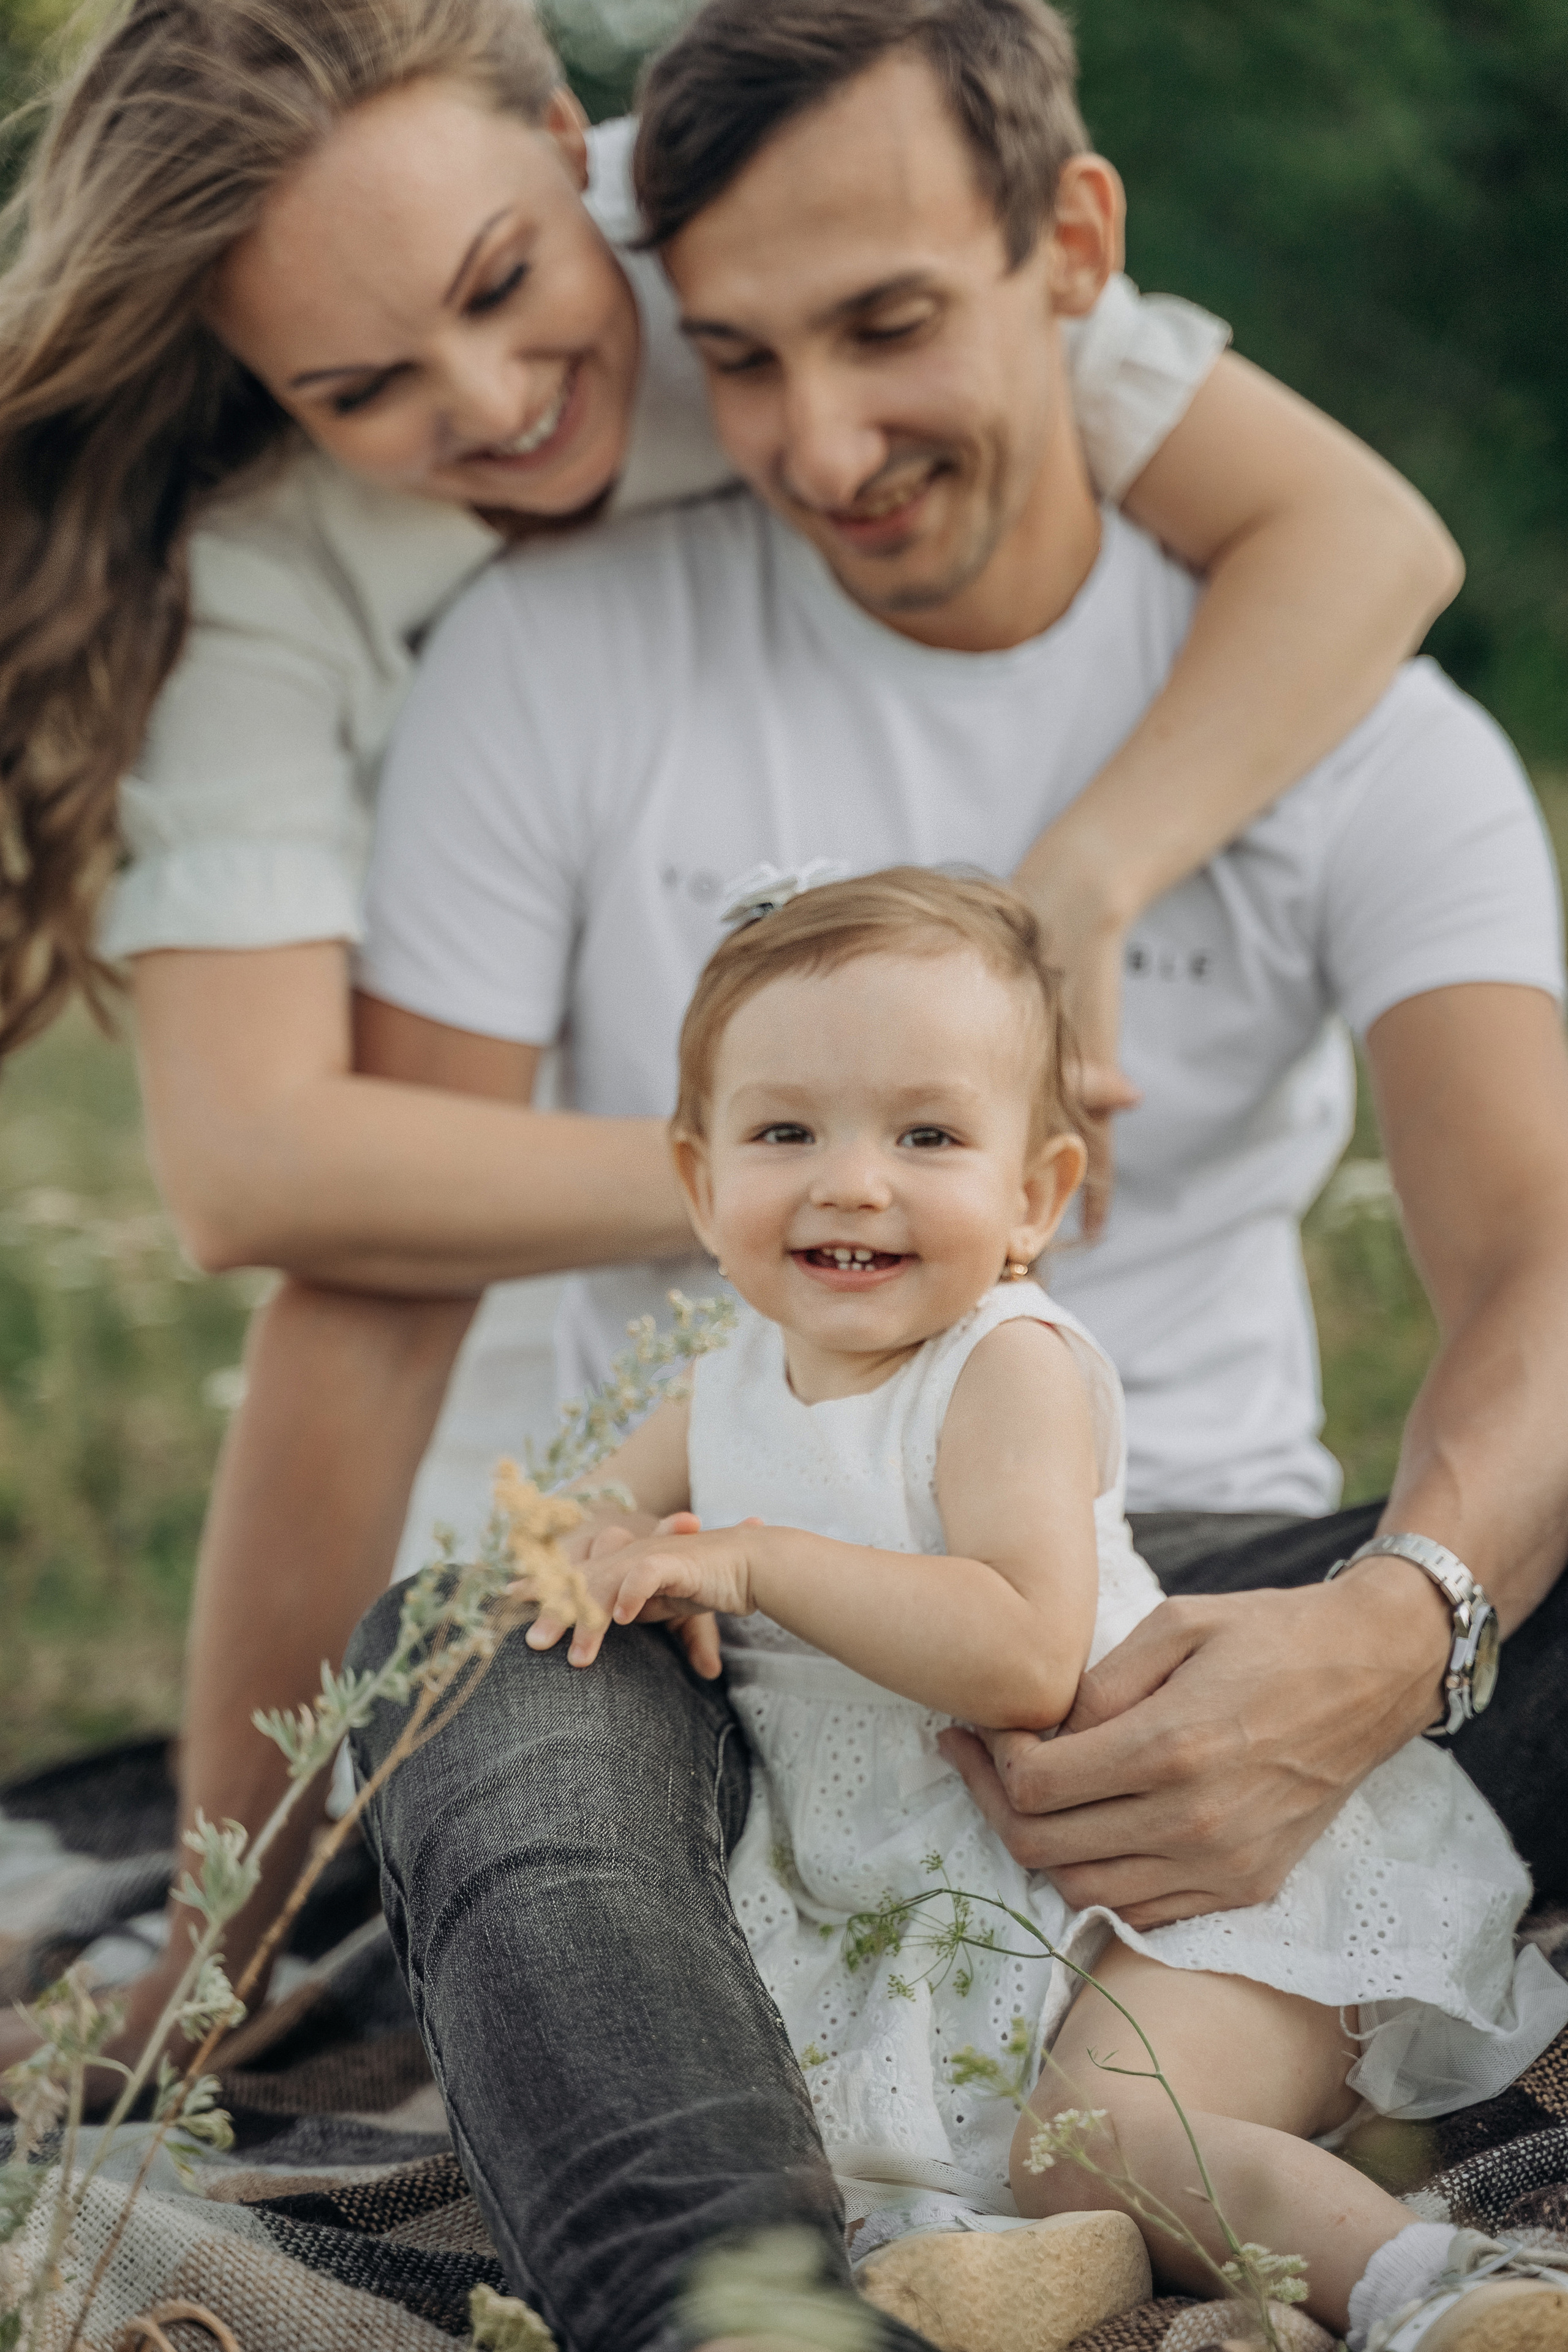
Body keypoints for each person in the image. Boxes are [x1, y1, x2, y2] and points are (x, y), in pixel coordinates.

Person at [0, 0, 1460, 2065]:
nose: (498, 401)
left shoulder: (774, 254)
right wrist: (808, 1176)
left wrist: (1086, 884)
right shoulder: (265, 581)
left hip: (902, 1318)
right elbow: (268, 1183)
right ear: (260, 383)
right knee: (512, 1673)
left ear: (567, 140)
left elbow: (1369, 537)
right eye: (363, 385)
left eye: (511, 285)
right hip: (605, 1315)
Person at [339, 0, 1568, 2343]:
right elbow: (359, 1256)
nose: (821, 440)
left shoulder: (1367, 735)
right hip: (737, 1645)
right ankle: (740, 2300)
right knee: (486, 1669)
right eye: (743, 357)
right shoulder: (557, 662)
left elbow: (1541, 1262)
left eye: (891, 324)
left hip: (1210, 1566)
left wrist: (1385, 1639)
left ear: (1075, 243)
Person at [524, 862, 1568, 2351]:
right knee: (860, 2169)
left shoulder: (1001, 1362)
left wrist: (741, 1563)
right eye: (783, 1132)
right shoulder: (721, 1383)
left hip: (1159, 1893)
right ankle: (1034, 2273)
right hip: (903, 1919)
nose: (851, 1179)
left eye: (926, 1134)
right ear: (699, 1184)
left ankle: (1438, 2293)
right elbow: (576, 1529)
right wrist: (606, 1563)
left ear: (1034, 1196)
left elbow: (1017, 1653)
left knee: (1102, 2129)